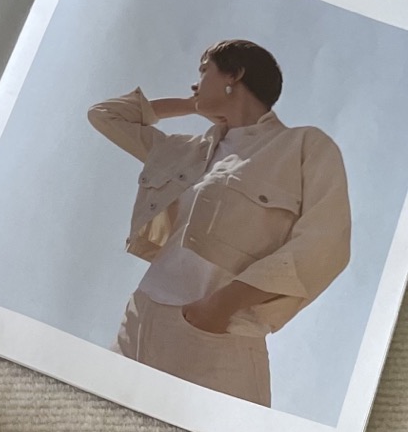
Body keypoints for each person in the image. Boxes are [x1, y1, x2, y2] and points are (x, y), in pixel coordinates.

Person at [88, 40, 351, 407]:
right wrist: (191, 104)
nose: (195, 82)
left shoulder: (303, 145)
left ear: (234, 74)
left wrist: (220, 306)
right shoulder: (183, 151)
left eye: (203, 70)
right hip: (139, 320)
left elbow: (326, 242)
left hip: (220, 331)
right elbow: (104, 115)